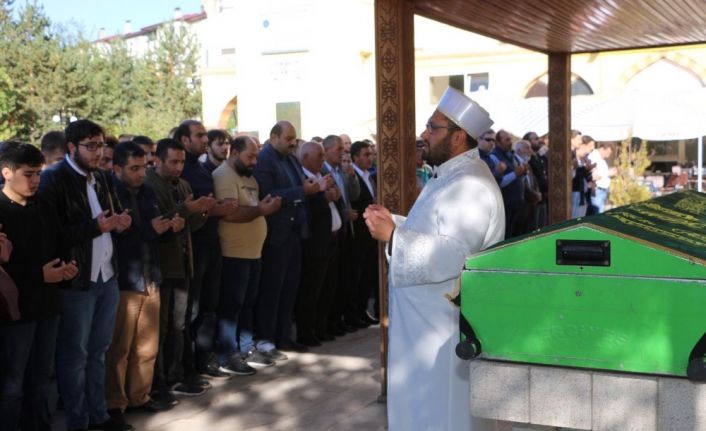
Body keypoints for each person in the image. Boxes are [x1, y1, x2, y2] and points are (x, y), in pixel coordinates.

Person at [364, 87, 504, 431]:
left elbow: (453, 255)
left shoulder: (469, 184)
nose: (424, 135)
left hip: (442, 332)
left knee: (442, 415)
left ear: (457, 136)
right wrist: (396, 223)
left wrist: (394, 237)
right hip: (427, 326)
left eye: (432, 127)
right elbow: (435, 233)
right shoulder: (452, 175)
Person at [39, 119, 133, 431]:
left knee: (99, 351)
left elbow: (113, 216)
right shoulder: (53, 179)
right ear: (71, 147)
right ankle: (78, 421)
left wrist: (122, 223)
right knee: (74, 355)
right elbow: (52, 236)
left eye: (101, 145)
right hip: (76, 280)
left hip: (106, 275)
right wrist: (96, 227)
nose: (98, 153)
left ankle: (100, 415)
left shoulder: (102, 177)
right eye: (90, 146)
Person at [0, 142, 78, 431]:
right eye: (28, 174)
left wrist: (67, 268)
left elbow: (59, 244)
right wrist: (37, 275)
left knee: (41, 378)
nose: (35, 181)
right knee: (12, 383)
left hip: (47, 305)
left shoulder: (44, 205)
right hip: (14, 313)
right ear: (6, 172)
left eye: (38, 174)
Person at [105, 142, 180, 420]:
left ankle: (140, 396)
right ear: (117, 169)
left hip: (151, 275)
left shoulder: (147, 191)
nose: (140, 174)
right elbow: (117, 239)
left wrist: (170, 228)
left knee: (147, 346)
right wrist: (150, 230)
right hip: (126, 279)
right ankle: (115, 403)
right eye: (134, 168)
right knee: (120, 348)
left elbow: (154, 231)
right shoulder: (110, 194)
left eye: (143, 167)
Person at [145, 138, 215, 400]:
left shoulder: (184, 185)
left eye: (182, 162)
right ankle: (159, 381)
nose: (178, 167)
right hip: (163, 266)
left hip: (184, 264)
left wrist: (202, 211)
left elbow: (191, 225)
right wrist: (186, 209)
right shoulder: (149, 185)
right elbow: (159, 223)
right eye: (173, 162)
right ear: (158, 160)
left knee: (180, 324)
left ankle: (178, 374)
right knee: (161, 328)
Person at [213, 135, 280, 373]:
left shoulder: (248, 177)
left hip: (253, 252)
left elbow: (252, 206)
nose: (254, 162)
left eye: (256, 156)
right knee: (232, 306)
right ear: (234, 153)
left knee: (248, 304)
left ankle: (246, 349)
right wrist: (261, 210)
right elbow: (230, 213)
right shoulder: (224, 176)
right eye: (250, 156)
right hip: (234, 252)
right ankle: (228, 355)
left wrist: (263, 206)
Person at [253, 120, 320, 359]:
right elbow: (269, 194)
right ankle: (266, 339)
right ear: (274, 138)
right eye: (288, 138)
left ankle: (284, 337)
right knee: (272, 290)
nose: (293, 143)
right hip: (276, 234)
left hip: (294, 232)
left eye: (294, 138)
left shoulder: (291, 159)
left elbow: (300, 184)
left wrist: (308, 187)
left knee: (289, 289)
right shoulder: (264, 161)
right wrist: (303, 191)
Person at [176, 120, 237, 380]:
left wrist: (218, 207)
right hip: (193, 246)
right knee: (190, 309)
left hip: (212, 242)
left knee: (209, 305)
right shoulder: (181, 171)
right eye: (199, 135)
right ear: (184, 140)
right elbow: (186, 208)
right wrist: (210, 209)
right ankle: (186, 365)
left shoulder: (201, 168)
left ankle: (204, 358)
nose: (204, 139)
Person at [295, 141, 340, 346]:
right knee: (311, 290)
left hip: (330, 239)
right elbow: (308, 208)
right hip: (315, 244)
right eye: (319, 156)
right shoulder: (303, 179)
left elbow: (335, 196)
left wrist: (332, 194)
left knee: (327, 288)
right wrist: (324, 196)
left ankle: (321, 328)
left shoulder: (322, 176)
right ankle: (306, 332)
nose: (323, 159)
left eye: (323, 155)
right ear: (305, 158)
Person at [588, 141, 614, 214]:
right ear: (602, 149)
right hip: (597, 190)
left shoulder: (601, 159)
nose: (608, 156)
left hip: (602, 191)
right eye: (607, 153)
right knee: (596, 213)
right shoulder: (594, 157)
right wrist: (608, 173)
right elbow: (593, 175)